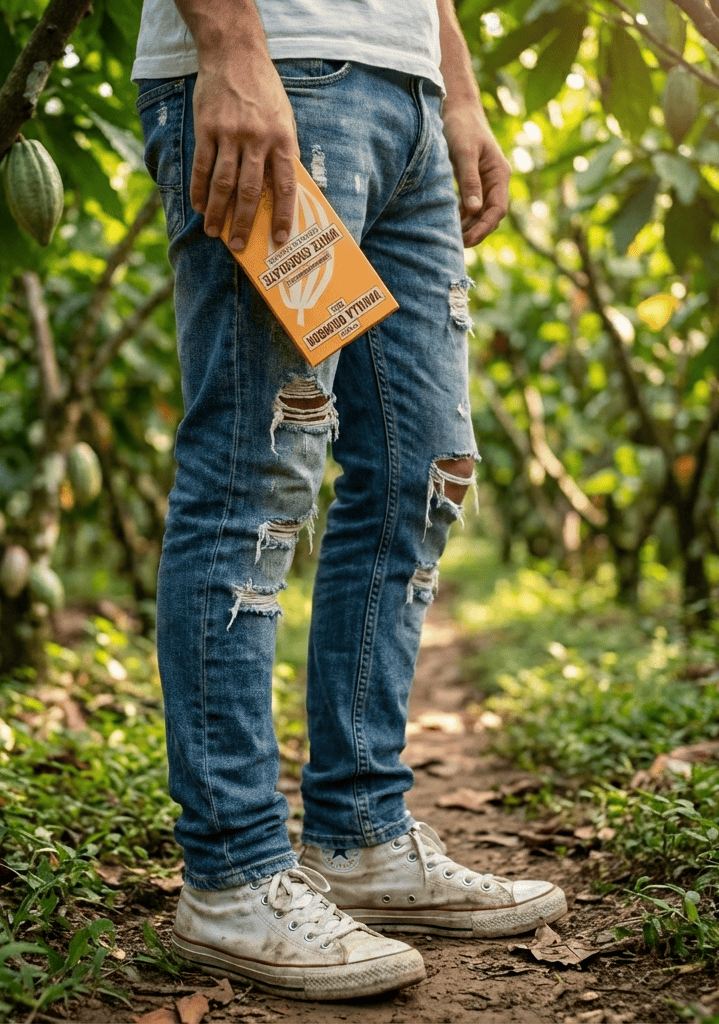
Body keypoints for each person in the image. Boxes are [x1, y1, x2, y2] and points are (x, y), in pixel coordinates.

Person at [132, 0, 567, 1002]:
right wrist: (232, 47)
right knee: (260, 469)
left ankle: (361, 833)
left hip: (403, 93)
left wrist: (452, 85)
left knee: (426, 472)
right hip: (284, 74)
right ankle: (232, 872)